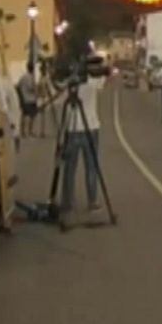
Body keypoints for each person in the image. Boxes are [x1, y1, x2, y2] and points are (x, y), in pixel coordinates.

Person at [58, 56, 106, 226]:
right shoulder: (94, 82)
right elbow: (102, 76)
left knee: (70, 168)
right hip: (90, 128)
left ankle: (68, 202)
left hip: (74, 129)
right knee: (90, 166)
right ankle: (92, 201)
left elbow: (61, 93)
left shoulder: (73, 83)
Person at [17, 63, 40, 139]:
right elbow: (31, 87)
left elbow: (18, 86)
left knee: (24, 116)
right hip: (31, 99)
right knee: (32, 116)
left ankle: (22, 132)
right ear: (33, 69)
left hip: (24, 99)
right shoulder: (31, 77)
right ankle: (30, 131)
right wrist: (36, 91)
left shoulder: (23, 77)